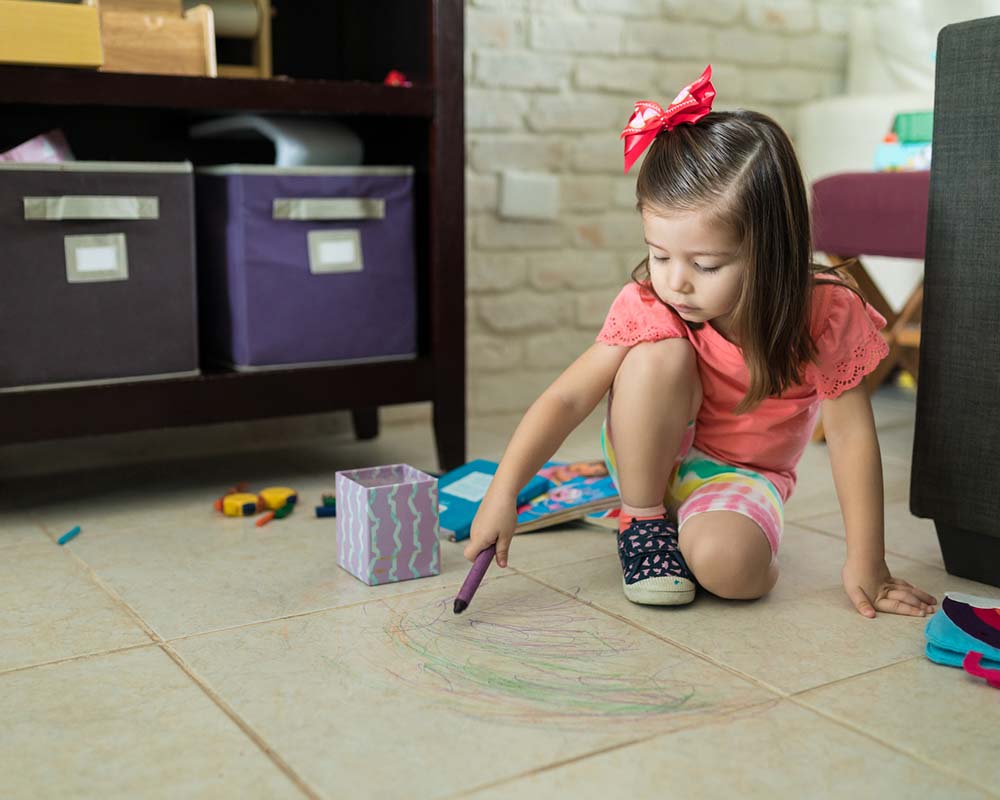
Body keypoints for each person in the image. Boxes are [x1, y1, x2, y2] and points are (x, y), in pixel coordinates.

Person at [464, 65, 937, 619]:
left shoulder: (825, 311)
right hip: (649, 455)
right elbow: (569, 397)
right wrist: (503, 491)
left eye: (705, 264)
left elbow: (854, 438)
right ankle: (642, 520)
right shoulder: (652, 299)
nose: (675, 281)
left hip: (744, 474)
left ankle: (692, 527)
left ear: (770, 251)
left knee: (731, 572)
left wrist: (868, 562)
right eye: (659, 254)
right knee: (657, 351)